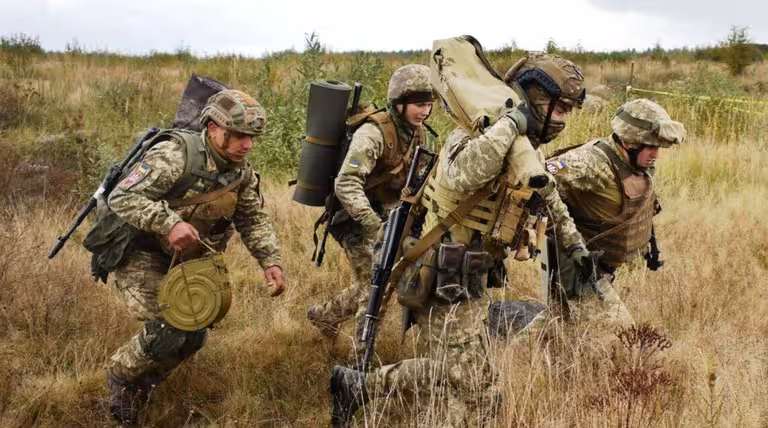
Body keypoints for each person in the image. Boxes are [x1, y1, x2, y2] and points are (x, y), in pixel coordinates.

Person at [330, 52, 591, 427]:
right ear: (534, 99)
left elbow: (549, 196)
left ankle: (362, 386)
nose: (564, 119)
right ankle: (359, 385)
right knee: (462, 379)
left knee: (474, 386)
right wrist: (508, 125)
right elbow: (463, 176)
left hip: (474, 275)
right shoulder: (472, 134)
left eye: (569, 110)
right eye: (560, 108)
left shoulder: (525, 148)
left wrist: (575, 245)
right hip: (442, 274)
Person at [104, 89, 285, 425]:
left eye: (252, 138)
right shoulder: (174, 156)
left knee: (195, 335)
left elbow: (252, 218)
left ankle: (144, 385)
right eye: (239, 136)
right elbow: (122, 197)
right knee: (170, 326)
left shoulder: (240, 173)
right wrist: (168, 222)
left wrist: (270, 261)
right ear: (214, 128)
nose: (247, 145)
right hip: (140, 251)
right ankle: (120, 378)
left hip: (185, 260)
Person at [307, 64, 436, 347]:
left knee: (382, 281)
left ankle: (324, 316)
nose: (425, 111)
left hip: (386, 218)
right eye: (419, 105)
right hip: (352, 218)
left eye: (428, 105)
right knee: (374, 284)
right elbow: (346, 183)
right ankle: (360, 359)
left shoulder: (418, 133)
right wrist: (375, 226)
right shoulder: (373, 134)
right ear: (399, 102)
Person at [543, 98, 685, 327]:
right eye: (651, 147)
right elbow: (539, 174)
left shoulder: (635, 162)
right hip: (578, 264)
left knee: (559, 324)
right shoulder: (590, 163)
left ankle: (523, 341)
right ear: (629, 142)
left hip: (599, 265)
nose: (656, 155)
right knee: (618, 335)